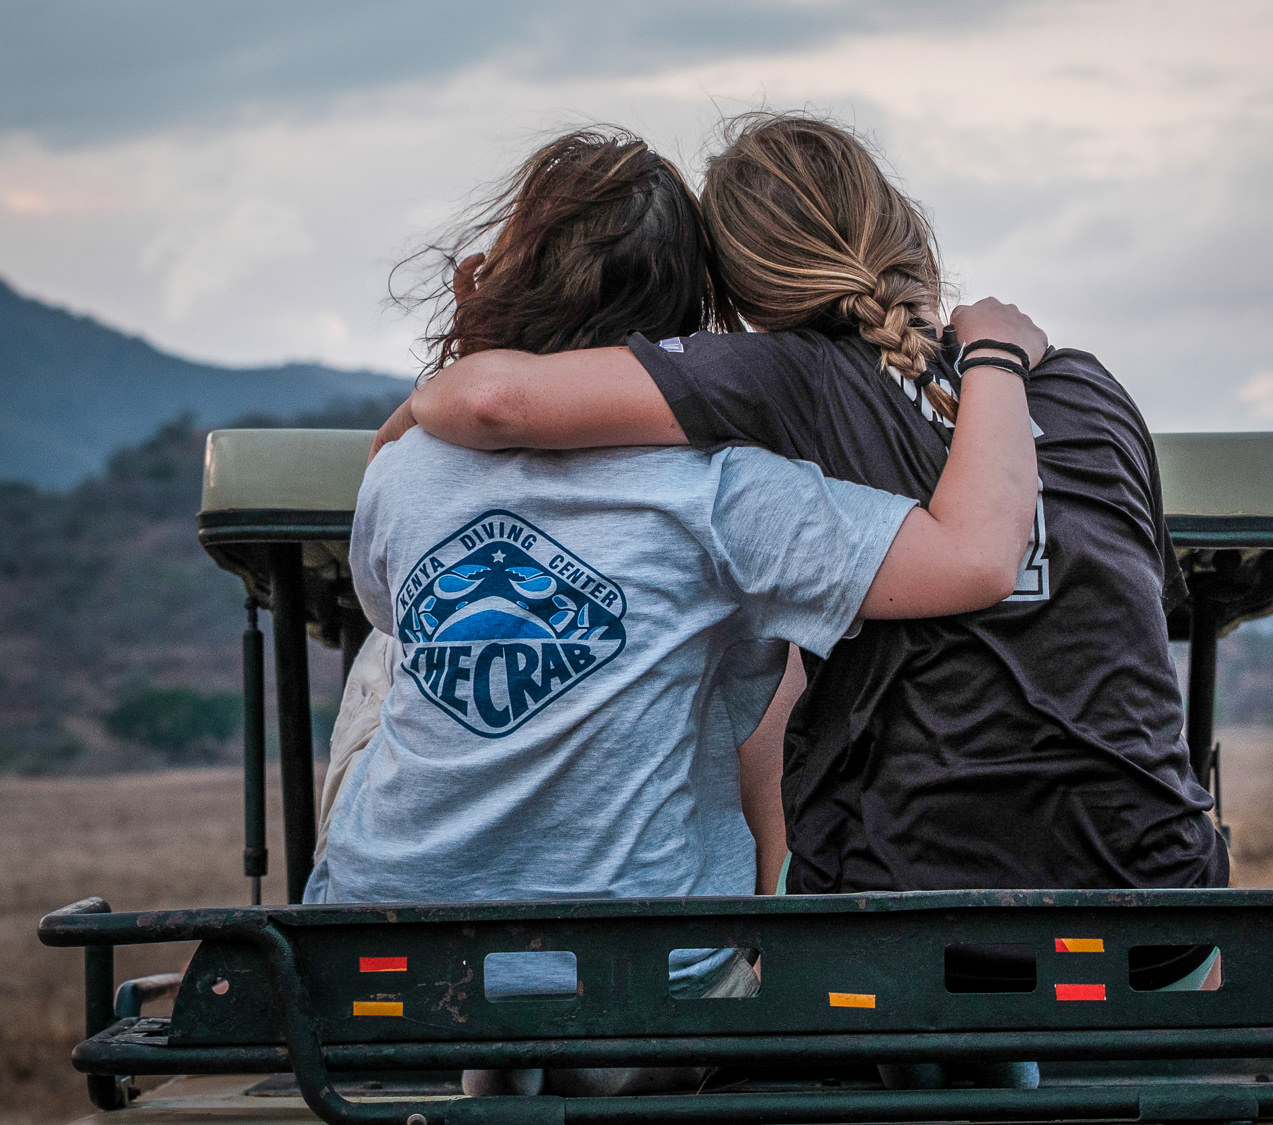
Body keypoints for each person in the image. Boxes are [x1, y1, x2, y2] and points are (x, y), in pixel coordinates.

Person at [309, 128, 1040, 1096]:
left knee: (391, 649)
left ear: (506, 277)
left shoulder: (409, 463)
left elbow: (387, 605)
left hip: (375, 958)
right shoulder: (724, 488)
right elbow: (969, 561)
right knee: (775, 642)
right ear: (692, 315)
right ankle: (772, 919)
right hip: (654, 982)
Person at [373, 112, 1230, 905]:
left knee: (771, 624)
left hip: (906, 924)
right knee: (777, 599)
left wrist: (411, 423)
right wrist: (996, 357)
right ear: (906, 228)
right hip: (1167, 911)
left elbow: (493, 400)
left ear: (745, 298)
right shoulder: (1087, 386)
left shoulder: (784, 378)